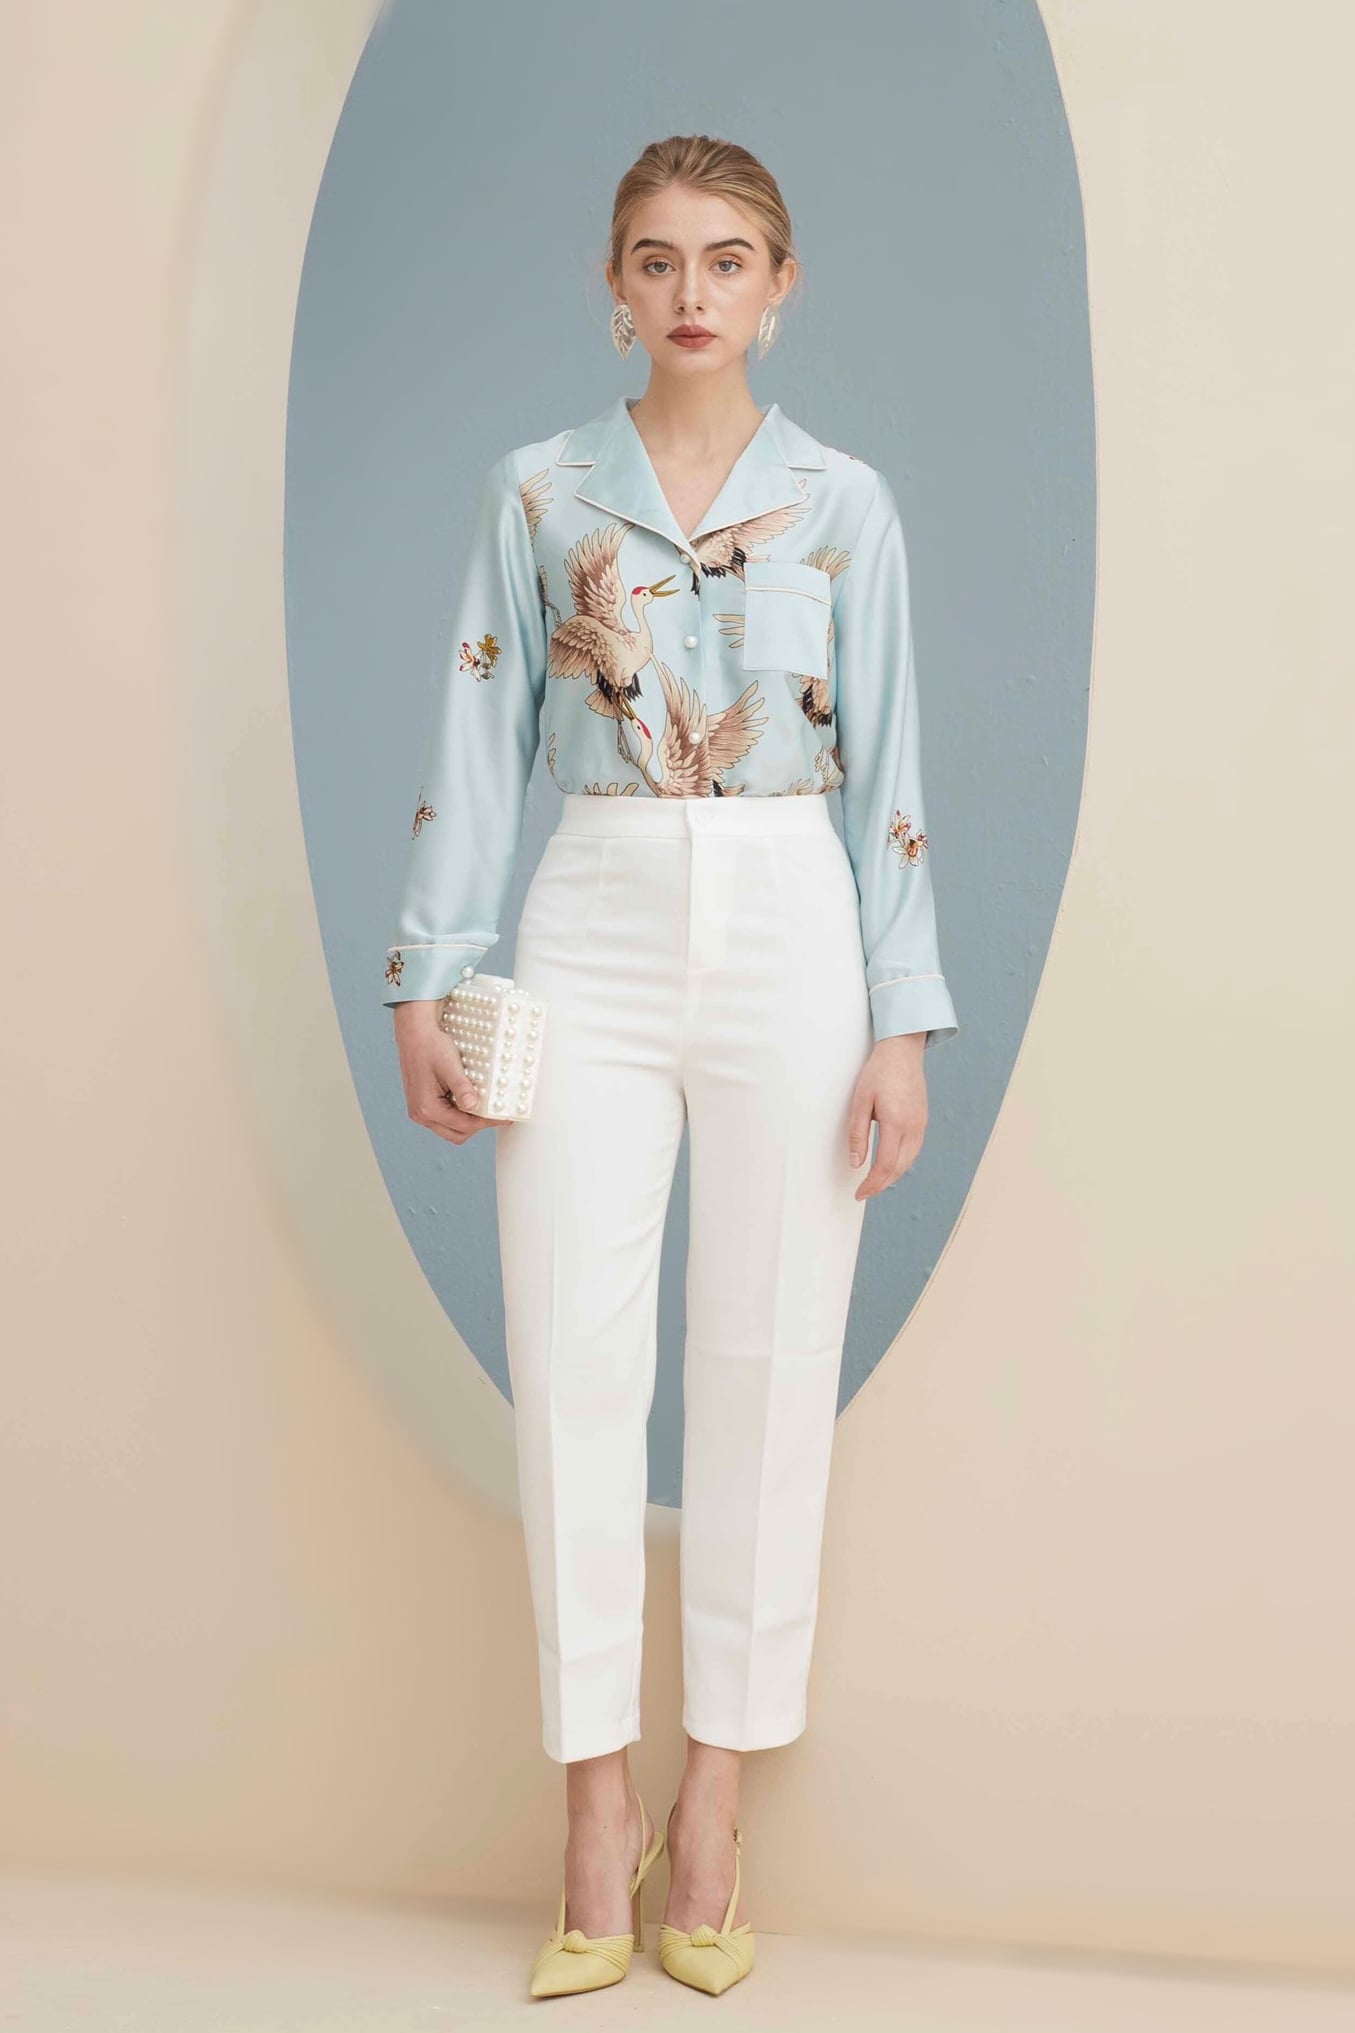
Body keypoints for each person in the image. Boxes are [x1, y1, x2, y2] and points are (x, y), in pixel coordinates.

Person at [382, 134, 959, 1999]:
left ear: (780, 288)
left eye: (726, 259)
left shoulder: (847, 505)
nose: (691, 290)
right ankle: (590, 1806)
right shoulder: (538, 490)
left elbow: (890, 771)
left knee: (770, 1359)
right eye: (656, 258)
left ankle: (712, 1809)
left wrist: (899, 1022)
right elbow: (478, 733)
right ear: (612, 286)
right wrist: (427, 977)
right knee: (572, 1355)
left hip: (796, 918)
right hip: (595, 913)